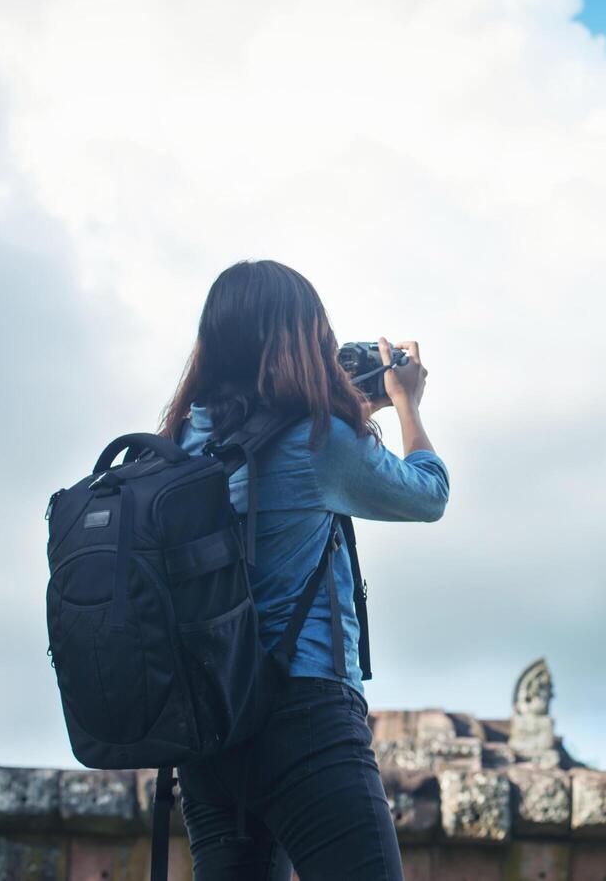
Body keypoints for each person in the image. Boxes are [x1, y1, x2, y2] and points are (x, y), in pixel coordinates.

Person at [157, 259, 448, 880]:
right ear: (303, 337)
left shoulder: (181, 440)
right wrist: (405, 405)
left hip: (209, 734)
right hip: (306, 714)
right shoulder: (320, 438)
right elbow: (429, 494)